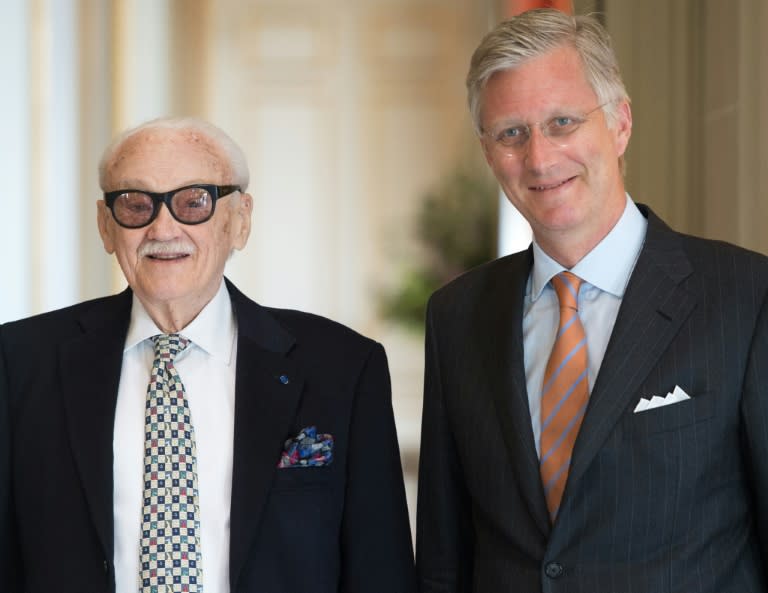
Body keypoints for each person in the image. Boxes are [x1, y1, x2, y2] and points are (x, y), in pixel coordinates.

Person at [416, 8, 768, 592]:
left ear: (621, 123)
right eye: (511, 132)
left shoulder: (746, 297)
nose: (539, 158)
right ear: (488, 151)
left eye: (562, 122)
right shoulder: (456, 316)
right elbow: (443, 559)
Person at [0, 116, 416, 593]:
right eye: (135, 204)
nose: (163, 226)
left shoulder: (343, 367)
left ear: (240, 220)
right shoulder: (20, 362)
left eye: (192, 202)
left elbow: (381, 571)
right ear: (105, 226)